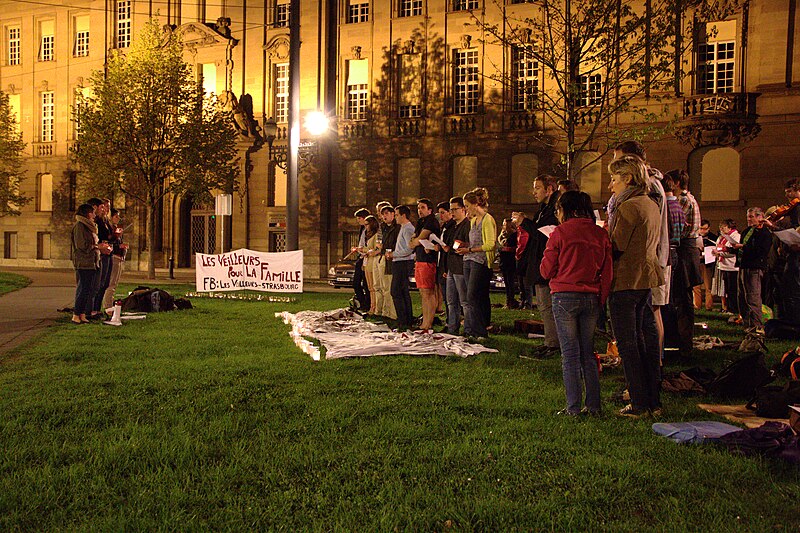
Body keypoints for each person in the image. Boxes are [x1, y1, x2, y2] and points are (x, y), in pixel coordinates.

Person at [540, 191, 612, 416]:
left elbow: (546, 270)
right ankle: (594, 406)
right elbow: (607, 271)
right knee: (588, 354)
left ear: (565, 210)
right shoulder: (599, 234)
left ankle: (573, 407)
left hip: (564, 296)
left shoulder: (560, 233)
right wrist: (601, 298)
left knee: (570, 354)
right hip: (590, 296)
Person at [607, 155, 664, 417]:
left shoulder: (628, 207)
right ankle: (653, 400)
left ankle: (640, 403)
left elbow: (617, 246)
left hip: (626, 280)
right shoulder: (651, 203)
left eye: (614, 179)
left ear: (627, 178)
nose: (611, 185)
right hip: (646, 279)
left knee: (628, 344)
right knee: (645, 341)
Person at [515, 175, 560, 357]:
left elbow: (543, 235)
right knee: (543, 305)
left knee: (548, 306)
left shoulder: (554, 210)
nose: (534, 192)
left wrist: (525, 223)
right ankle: (550, 341)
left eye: (537, 188)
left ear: (549, 189)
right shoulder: (543, 209)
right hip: (540, 263)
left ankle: (554, 343)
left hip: (547, 264)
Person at [665, 169, 703, 359]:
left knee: (682, 298)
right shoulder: (690, 199)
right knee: (682, 297)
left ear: (677, 183)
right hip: (689, 250)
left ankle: (683, 341)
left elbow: (675, 227)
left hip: (685, 251)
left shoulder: (683, 201)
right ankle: (682, 340)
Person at [457, 187, 496, 339]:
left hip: (479, 261)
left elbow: (490, 244)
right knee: (470, 296)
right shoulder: (473, 221)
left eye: (467, 205)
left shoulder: (487, 220)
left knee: (473, 295)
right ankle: (473, 329)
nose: (466, 209)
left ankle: (480, 330)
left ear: (474, 204)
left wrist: (470, 249)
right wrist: (465, 246)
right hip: (468, 259)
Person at [730, 207, 773, 331]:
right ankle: (747, 324)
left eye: (751, 216)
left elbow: (761, 251)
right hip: (743, 266)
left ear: (760, 217)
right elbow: (743, 247)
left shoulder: (764, 233)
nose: (748, 219)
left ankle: (757, 326)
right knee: (742, 297)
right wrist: (731, 249)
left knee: (753, 298)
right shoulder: (747, 231)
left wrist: (743, 247)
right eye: (748, 216)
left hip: (754, 268)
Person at [70, 204, 109, 324]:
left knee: (88, 289)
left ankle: (82, 313)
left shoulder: (89, 227)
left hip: (92, 261)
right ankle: (76, 314)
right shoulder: (80, 226)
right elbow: (81, 245)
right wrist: (97, 246)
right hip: (84, 262)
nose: (94, 215)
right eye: (92, 212)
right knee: (83, 288)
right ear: (87, 214)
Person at [409, 199, 440, 332]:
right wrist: (415, 241)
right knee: (422, 292)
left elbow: (419, 238)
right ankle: (424, 322)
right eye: (418, 208)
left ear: (429, 210)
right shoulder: (420, 222)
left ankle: (429, 322)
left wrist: (416, 241)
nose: (419, 210)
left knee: (428, 292)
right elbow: (412, 241)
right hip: (420, 259)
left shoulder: (431, 221)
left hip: (428, 260)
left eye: (422, 207)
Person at [443, 196, 470, 335]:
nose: (452, 212)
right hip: (451, 267)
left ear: (463, 209)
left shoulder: (467, 225)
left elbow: (469, 244)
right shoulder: (453, 226)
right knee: (451, 300)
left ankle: (468, 328)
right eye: (451, 209)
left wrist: (462, 245)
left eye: (455, 209)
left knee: (464, 301)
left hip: (460, 267)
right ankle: (452, 327)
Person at [389, 205, 415, 331]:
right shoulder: (403, 228)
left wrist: (393, 254)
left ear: (403, 215)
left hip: (403, 263)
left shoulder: (408, 229)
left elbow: (409, 249)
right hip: (399, 261)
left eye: (397, 215)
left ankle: (403, 319)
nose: (395, 217)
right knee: (402, 291)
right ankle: (405, 319)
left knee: (396, 291)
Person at [87, 198, 113, 319]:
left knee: (105, 283)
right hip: (100, 254)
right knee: (98, 283)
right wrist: (102, 245)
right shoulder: (95, 222)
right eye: (102, 207)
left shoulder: (105, 221)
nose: (105, 209)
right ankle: (92, 310)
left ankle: (96, 309)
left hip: (107, 252)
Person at [101, 208, 129, 312]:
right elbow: (110, 243)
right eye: (116, 216)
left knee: (114, 283)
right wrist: (119, 244)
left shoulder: (116, 228)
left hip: (119, 257)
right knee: (111, 283)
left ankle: (110, 303)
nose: (118, 218)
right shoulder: (110, 229)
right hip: (114, 257)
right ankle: (108, 306)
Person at [712, 219, 740, 316]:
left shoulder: (736, 236)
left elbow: (734, 252)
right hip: (723, 265)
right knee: (727, 289)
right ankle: (727, 307)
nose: (721, 229)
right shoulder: (721, 237)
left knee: (733, 289)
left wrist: (720, 253)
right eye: (720, 227)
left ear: (729, 227)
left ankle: (734, 309)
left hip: (732, 266)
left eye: (723, 227)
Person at [377, 205, 398, 320]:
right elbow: (379, 241)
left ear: (392, 214)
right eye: (382, 214)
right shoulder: (382, 227)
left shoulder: (397, 227)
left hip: (392, 258)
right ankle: (386, 311)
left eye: (386, 213)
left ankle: (393, 314)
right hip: (383, 257)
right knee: (384, 286)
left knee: (390, 287)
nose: (384, 216)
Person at [694, 219, 718, 310]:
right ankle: (697, 305)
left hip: (708, 263)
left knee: (708, 286)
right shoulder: (695, 236)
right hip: (697, 262)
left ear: (709, 228)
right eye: (701, 229)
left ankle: (709, 305)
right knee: (696, 286)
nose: (703, 231)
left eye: (705, 229)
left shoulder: (713, 237)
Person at [436, 201, 454, 316]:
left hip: (448, 264)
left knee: (450, 297)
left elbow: (452, 246)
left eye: (443, 213)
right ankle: (449, 318)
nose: (441, 216)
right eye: (439, 213)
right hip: (442, 263)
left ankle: (452, 320)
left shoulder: (452, 227)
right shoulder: (444, 227)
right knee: (445, 295)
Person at [497, 218, 519, 309]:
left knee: (510, 282)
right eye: (503, 224)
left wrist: (504, 248)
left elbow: (513, 247)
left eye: (506, 224)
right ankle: (508, 300)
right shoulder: (502, 235)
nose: (504, 226)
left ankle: (511, 300)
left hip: (510, 261)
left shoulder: (514, 235)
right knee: (506, 281)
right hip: (503, 260)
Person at [353, 208, 371, 312]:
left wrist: (361, 249)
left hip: (366, 258)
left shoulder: (369, 230)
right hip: (361, 257)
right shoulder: (362, 229)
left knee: (366, 283)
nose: (358, 221)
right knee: (356, 283)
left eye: (359, 218)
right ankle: (362, 303)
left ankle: (366, 304)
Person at [361, 215, 380, 315]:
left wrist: (365, 250)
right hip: (367, 262)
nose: (366, 227)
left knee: (373, 286)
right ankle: (372, 306)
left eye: (367, 224)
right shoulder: (368, 235)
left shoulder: (376, 235)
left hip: (372, 261)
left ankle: (375, 307)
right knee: (369, 287)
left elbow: (375, 249)